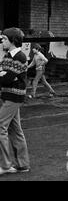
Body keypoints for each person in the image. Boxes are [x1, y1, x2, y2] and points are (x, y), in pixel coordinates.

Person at [0, 28, 30, 175]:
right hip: (8, 95)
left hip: (14, 96)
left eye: (4, 39)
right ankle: (23, 165)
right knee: (15, 130)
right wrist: (6, 75)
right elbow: (5, 77)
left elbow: (6, 79)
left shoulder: (20, 57)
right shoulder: (7, 56)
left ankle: (5, 166)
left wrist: (5, 75)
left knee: (0, 127)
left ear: (13, 40)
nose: (2, 41)